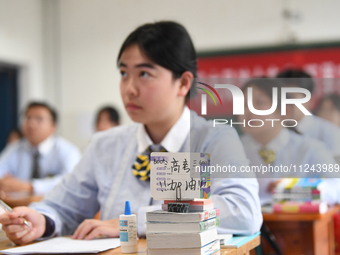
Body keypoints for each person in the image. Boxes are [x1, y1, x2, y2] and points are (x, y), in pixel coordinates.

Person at [0, 21, 262, 245]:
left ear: (183, 83)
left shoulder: (214, 139)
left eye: (144, 74)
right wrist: (41, 221)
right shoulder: (106, 145)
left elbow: (242, 211)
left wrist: (137, 222)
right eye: (124, 73)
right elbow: (62, 207)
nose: (129, 88)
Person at [238, 78, 339, 205]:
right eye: (243, 105)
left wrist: (293, 189)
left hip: (298, 223)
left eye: (259, 103)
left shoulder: (311, 149)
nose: (249, 111)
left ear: (285, 111)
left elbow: (336, 189)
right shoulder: (230, 150)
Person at [0, 102, 81, 196]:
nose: (31, 124)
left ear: (53, 126)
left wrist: (30, 187)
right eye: (27, 118)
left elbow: (72, 181)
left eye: (39, 119)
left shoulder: (68, 151)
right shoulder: (14, 148)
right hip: (17, 205)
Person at [277, 68, 340, 157]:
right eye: (280, 97)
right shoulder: (271, 132)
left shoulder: (332, 134)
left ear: (310, 100)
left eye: (290, 97)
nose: (285, 103)